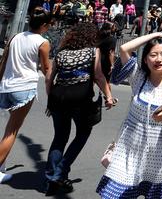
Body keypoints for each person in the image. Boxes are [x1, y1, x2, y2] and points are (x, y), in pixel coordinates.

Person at [97, 32, 162, 199]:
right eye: (153, 55)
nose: (159, 59)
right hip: (128, 149)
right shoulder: (138, 77)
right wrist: (158, 34)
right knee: (113, 195)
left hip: (158, 155)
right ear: (145, 59)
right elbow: (124, 49)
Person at [44, 22, 115, 195]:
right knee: (83, 133)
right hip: (80, 98)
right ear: (92, 37)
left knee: (59, 137)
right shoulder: (93, 51)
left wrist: (50, 101)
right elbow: (98, 75)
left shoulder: (61, 53)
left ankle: (51, 176)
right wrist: (108, 95)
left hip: (57, 97)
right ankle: (60, 171)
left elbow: (49, 79)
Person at [0, 7, 52, 183]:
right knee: (12, 131)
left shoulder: (15, 37)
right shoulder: (42, 42)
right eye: (49, 25)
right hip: (24, 87)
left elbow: (3, 61)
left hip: (6, 86)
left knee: (8, 129)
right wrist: (51, 88)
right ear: (44, 25)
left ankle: (1, 165)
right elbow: (47, 70)